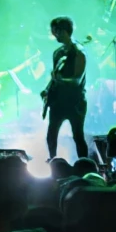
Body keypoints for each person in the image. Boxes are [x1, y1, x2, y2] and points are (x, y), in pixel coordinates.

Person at [42, 17, 88, 162]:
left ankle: (84, 165)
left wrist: (60, 81)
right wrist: (47, 88)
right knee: (51, 135)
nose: (54, 35)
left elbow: (77, 79)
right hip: (58, 101)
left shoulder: (79, 52)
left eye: (56, 31)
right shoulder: (57, 53)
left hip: (75, 102)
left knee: (78, 136)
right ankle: (53, 162)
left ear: (63, 31)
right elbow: (56, 76)